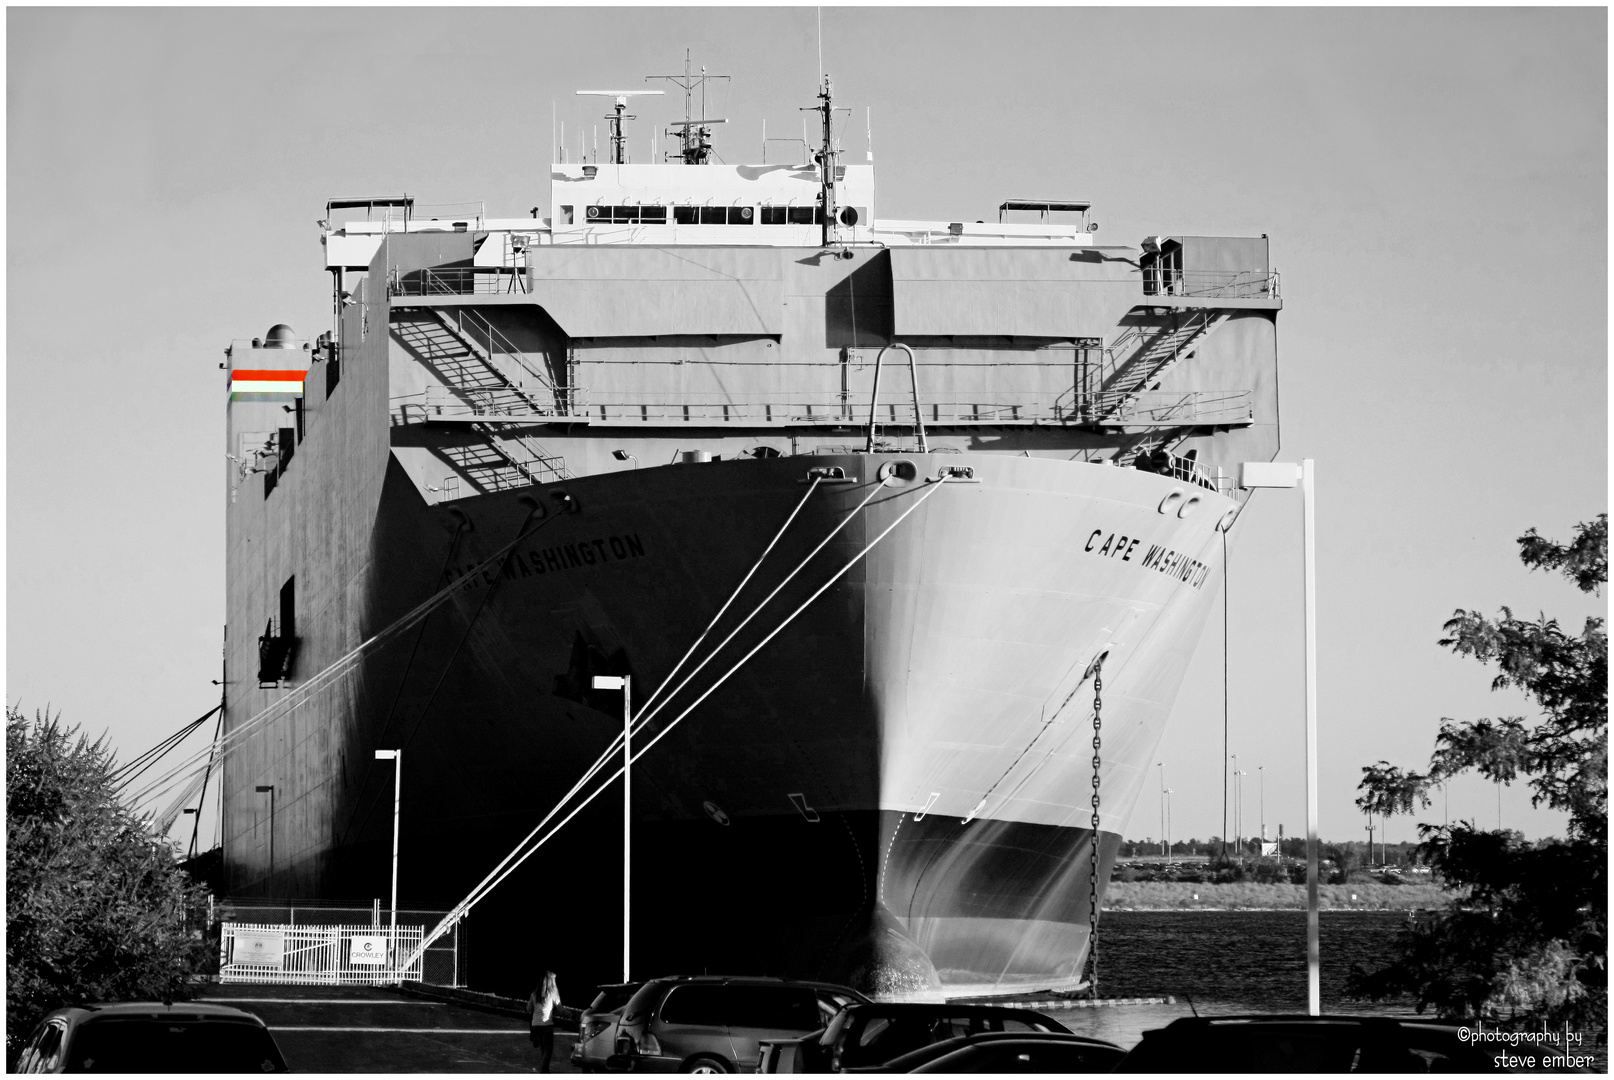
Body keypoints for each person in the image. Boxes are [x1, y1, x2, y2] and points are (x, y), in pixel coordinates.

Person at [528, 970, 561, 1072]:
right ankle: (543, 1071)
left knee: (543, 1050)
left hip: (535, 1025)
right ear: (551, 982)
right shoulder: (552, 993)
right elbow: (560, 1008)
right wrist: (571, 1015)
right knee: (548, 1051)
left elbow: (528, 1009)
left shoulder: (534, 993)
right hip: (546, 1026)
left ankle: (545, 1070)